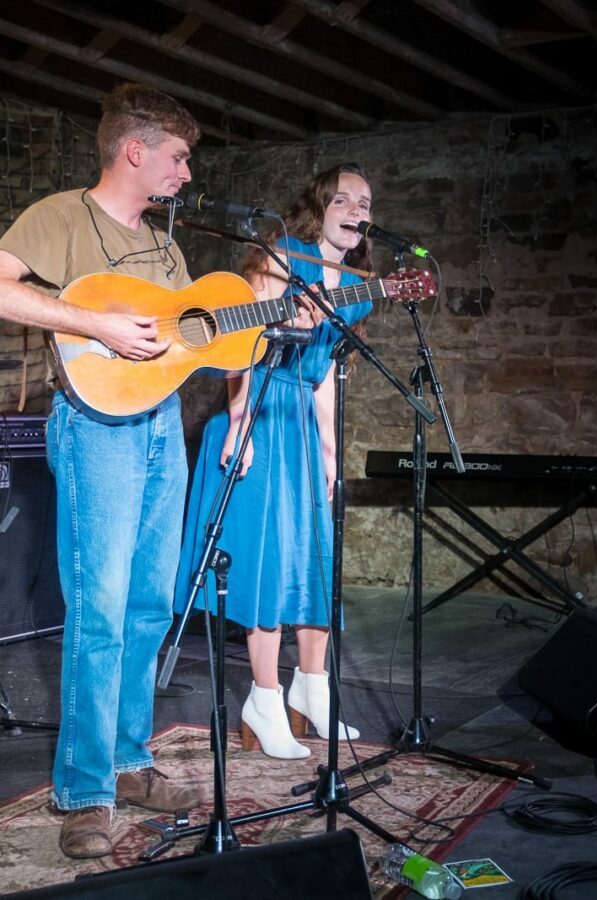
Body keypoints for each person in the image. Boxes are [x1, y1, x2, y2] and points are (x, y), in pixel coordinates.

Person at [0, 83, 202, 859]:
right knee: (102, 609)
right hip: (93, 429)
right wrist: (94, 323)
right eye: (179, 157)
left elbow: (188, 337)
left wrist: (254, 321)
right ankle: (83, 788)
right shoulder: (57, 217)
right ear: (135, 150)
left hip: (160, 428)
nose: (186, 173)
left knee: (150, 605)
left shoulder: (166, 244)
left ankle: (127, 760)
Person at [174, 163, 373, 759]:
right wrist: (239, 425)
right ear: (321, 206)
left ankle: (313, 688)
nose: (357, 211)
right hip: (259, 411)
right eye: (343, 200)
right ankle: (264, 699)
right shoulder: (281, 257)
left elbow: (326, 372)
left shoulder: (356, 286)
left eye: (365, 203)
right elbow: (241, 346)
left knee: (313, 560)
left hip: (302, 430)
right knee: (265, 565)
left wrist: (332, 454)